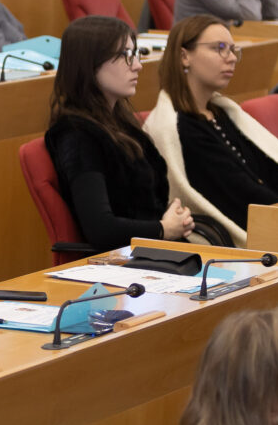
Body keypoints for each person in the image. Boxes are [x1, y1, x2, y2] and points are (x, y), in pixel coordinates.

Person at [144, 16, 278, 244]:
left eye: (233, 50)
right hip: (246, 235)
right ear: (184, 56)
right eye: (219, 49)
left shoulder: (223, 113)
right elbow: (242, 194)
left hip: (273, 218)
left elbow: (276, 171)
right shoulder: (182, 128)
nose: (231, 58)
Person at [45, 16, 194, 251]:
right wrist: (163, 228)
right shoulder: (77, 135)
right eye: (125, 56)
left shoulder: (120, 122)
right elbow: (101, 228)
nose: (137, 65)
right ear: (89, 64)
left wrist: (174, 217)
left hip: (155, 253)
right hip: (126, 264)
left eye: (135, 54)